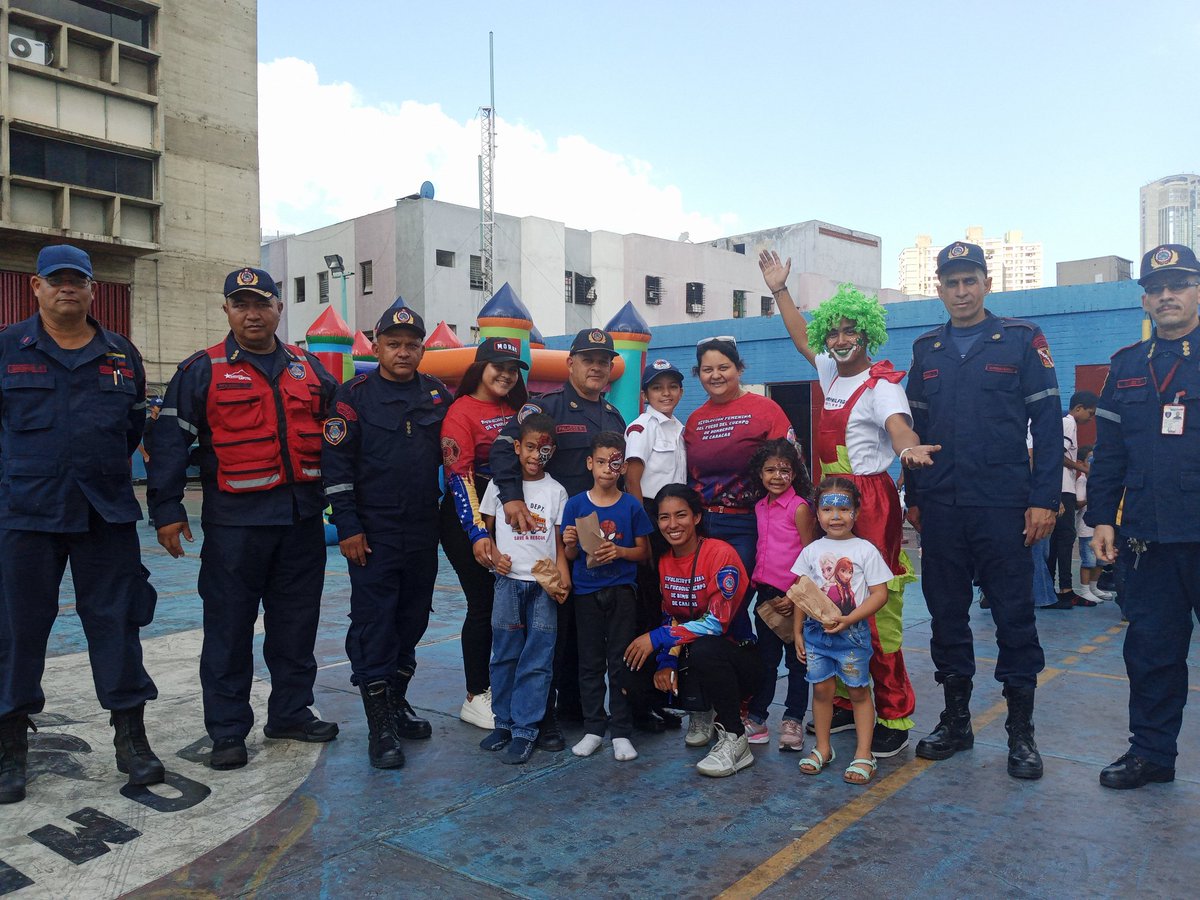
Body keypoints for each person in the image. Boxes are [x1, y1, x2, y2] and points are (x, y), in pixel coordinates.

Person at [148, 266, 339, 772]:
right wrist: (166, 509)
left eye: (262, 303)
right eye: (241, 304)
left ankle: (291, 713)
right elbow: (168, 443)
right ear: (227, 310)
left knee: (296, 626)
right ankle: (228, 731)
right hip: (236, 526)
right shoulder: (201, 370)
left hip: (301, 522)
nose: (252, 314)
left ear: (279, 308)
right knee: (229, 629)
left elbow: (341, 436)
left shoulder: (309, 369)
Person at [0, 245, 163, 804]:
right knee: (16, 630)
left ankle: (131, 739)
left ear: (92, 289)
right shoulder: (6, 350)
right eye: (57, 280)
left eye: (78, 280)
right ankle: (9, 747)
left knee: (116, 623)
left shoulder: (121, 354)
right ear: (36, 287)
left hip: (104, 511)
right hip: (26, 513)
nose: (68, 288)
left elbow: (131, 427)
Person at [760, 255, 939, 758]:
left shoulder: (882, 385)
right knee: (827, 599)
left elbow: (899, 426)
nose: (838, 340)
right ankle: (845, 701)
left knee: (873, 608)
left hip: (872, 504)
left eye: (847, 332)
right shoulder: (829, 372)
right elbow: (800, 337)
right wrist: (780, 292)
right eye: (832, 332)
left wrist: (907, 448)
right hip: (830, 496)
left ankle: (894, 715)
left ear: (866, 334)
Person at [905, 240, 1062, 780]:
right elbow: (914, 431)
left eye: (970, 280)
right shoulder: (927, 349)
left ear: (987, 284)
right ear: (940, 289)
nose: (961, 290)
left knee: (1015, 618)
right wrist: (915, 498)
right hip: (943, 506)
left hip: (1003, 505)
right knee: (947, 617)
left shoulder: (1020, 339)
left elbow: (1046, 423)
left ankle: (1021, 735)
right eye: (951, 282)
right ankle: (956, 721)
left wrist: (1045, 499)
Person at [321, 299, 452, 769]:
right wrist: (348, 527)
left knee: (412, 620)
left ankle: (397, 703)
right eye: (393, 344)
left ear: (421, 349)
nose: (402, 352)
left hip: (421, 529)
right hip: (372, 534)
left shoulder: (437, 395)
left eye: (411, 345)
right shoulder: (352, 395)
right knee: (375, 624)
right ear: (376, 346)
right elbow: (336, 467)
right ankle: (380, 727)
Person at [1088, 243, 1200, 790]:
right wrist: (1102, 517)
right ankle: (1151, 753)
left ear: (1196, 290)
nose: (1166, 295)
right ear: (1146, 300)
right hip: (1149, 539)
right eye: (1156, 288)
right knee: (1152, 653)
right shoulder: (1126, 367)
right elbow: (1108, 453)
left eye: (1177, 284)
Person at [489, 329, 626, 750]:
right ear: (570, 364)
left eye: (604, 360)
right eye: (588, 359)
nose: (597, 367)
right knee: (546, 634)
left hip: (597, 537)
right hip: (546, 538)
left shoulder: (614, 417)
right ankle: (541, 717)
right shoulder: (544, 408)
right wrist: (511, 500)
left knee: (585, 629)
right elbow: (501, 450)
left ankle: (574, 709)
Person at [623, 484, 763, 778]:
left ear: (697, 517)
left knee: (704, 648)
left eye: (681, 515)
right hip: (692, 654)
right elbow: (668, 616)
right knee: (632, 666)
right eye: (664, 517)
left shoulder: (720, 554)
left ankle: (736, 739)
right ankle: (701, 710)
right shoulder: (662, 561)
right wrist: (666, 661)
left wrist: (657, 639)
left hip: (738, 659)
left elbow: (716, 623)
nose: (672, 525)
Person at [439, 338, 530, 730]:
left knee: (517, 605)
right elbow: (459, 479)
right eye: (498, 367)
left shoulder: (517, 409)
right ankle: (476, 694)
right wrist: (478, 533)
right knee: (482, 606)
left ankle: (511, 684)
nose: (506, 375)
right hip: (469, 521)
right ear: (479, 368)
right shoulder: (460, 412)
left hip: (511, 518)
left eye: (513, 369)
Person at [684, 336, 794, 639]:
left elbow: (790, 467)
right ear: (699, 374)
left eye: (724, 367)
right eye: (707, 370)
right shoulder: (694, 420)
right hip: (702, 525)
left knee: (730, 602)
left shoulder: (766, 410)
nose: (715, 375)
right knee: (705, 604)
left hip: (746, 524)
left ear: (739, 369)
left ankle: (745, 672)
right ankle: (725, 679)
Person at [477, 413, 571, 765]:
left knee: (537, 659)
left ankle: (526, 729)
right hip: (507, 584)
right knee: (504, 655)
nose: (536, 455)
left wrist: (563, 579)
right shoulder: (499, 487)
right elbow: (485, 533)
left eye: (545, 450)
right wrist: (495, 558)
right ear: (517, 447)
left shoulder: (556, 491)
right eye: (530, 447)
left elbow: (560, 544)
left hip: (542, 589)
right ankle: (503, 722)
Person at [792, 477, 892, 785]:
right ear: (817, 514)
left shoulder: (865, 550)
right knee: (821, 690)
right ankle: (823, 748)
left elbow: (879, 594)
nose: (836, 517)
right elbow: (802, 591)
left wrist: (849, 620)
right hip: (816, 635)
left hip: (852, 636)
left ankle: (864, 753)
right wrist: (797, 631)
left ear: (856, 513)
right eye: (827, 509)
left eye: (844, 509)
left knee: (858, 691)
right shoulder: (811, 551)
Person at [562, 432, 653, 761]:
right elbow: (570, 555)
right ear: (590, 463)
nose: (606, 468)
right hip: (586, 593)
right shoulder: (575, 504)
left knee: (620, 661)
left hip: (621, 592)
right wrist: (571, 542)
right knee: (589, 662)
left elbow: (643, 552)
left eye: (614, 462)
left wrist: (619, 551)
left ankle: (621, 731)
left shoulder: (630, 505)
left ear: (623, 466)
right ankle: (593, 728)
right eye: (600, 461)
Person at [623, 358, 688, 731]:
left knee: (667, 607)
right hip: (649, 518)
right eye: (658, 387)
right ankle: (637, 702)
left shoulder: (678, 428)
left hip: (672, 518)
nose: (666, 393)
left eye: (672, 386)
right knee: (645, 611)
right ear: (645, 393)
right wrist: (643, 532)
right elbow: (633, 481)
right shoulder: (641, 427)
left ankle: (657, 697)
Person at [744, 439, 816, 751]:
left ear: (794, 473)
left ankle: (793, 720)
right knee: (766, 660)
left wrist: (797, 596)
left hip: (794, 597)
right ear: (760, 474)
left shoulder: (800, 508)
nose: (777, 476)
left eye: (784, 470)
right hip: (766, 598)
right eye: (770, 470)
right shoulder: (760, 507)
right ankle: (758, 719)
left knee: (798, 662)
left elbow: (810, 554)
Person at [1048, 392, 1098, 606]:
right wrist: (1082, 468)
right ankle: (1066, 588)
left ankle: (1053, 586)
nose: (1090, 418)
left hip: (1062, 489)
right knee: (1065, 539)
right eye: (1090, 413)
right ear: (1078, 408)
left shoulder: (1066, 424)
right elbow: (1057, 455)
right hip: (1063, 490)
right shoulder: (1068, 424)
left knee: (1058, 540)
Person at [1073, 446, 1111, 604]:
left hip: (1099, 528)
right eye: (1090, 459)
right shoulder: (1082, 481)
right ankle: (1084, 589)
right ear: (1082, 463)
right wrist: (1095, 496)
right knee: (1088, 561)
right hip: (1086, 528)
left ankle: (1094, 587)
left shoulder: (1099, 480)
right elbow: (1078, 503)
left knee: (1100, 560)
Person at [138, 396, 164, 527]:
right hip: (151, 459)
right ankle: (152, 515)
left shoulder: (162, 423)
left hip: (160, 458)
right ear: (152, 408)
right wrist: (145, 455)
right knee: (153, 486)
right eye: (158, 406)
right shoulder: (148, 423)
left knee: (162, 486)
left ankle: (161, 513)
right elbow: (137, 440)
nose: (160, 408)